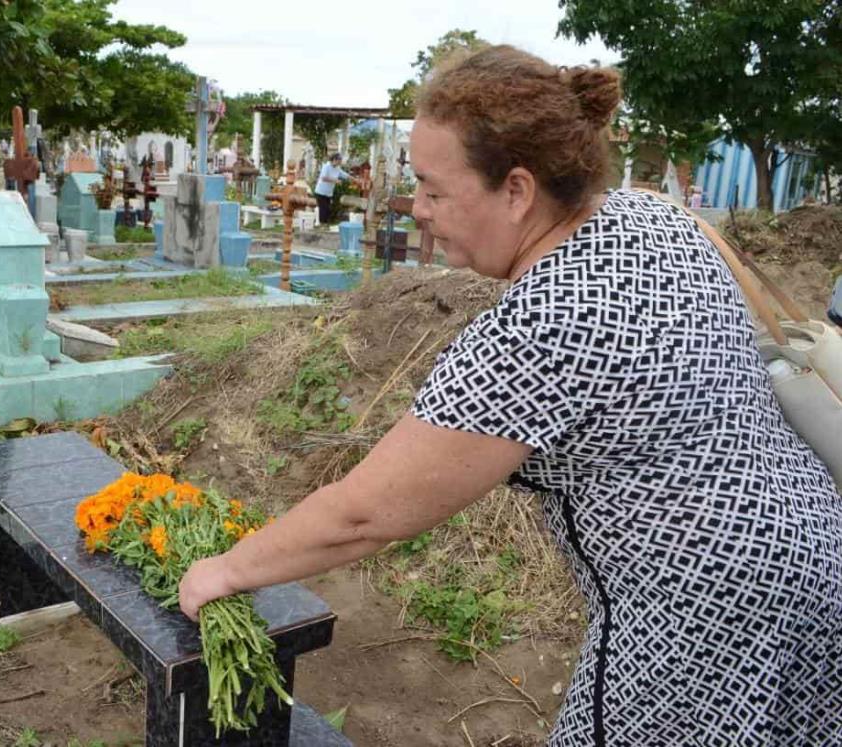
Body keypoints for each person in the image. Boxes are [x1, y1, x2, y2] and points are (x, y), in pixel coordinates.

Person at [179, 45, 842, 745]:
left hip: (701, 623)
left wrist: (226, 569)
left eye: (435, 188)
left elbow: (366, 513)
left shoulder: (542, 325)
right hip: (817, 559)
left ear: (518, 190)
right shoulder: (659, 221)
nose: (421, 209)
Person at [314, 153, 352, 224]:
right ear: (334, 159)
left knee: (327, 209)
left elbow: (344, 174)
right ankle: (322, 224)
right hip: (321, 192)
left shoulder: (337, 168)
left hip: (328, 193)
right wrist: (335, 180)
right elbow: (324, 177)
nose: (340, 162)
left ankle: (324, 224)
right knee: (323, 209)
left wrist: (354, 179)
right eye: (339, 160)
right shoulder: (326, 166)